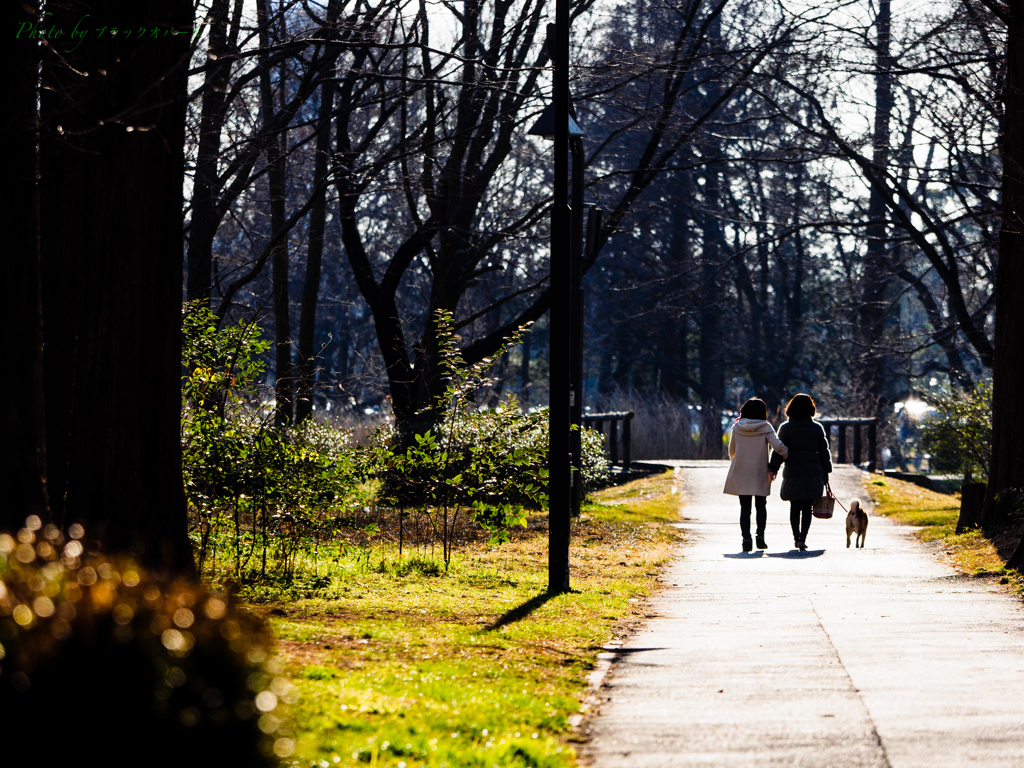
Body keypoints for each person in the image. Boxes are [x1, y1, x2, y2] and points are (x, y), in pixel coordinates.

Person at [769, 393, 833, 550]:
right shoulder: (817, 428)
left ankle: (796, 537)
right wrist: (826, 472)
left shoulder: (786, 428)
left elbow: (779, 450)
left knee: (795, 506)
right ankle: (803, 538)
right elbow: (824, 452)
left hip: (793, 472)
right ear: (810, 409)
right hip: (813, 473)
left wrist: (773, 468)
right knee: (807, 508)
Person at [723, 398, 788, 552]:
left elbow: (731, 451)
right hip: (760, 472)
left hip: (741, 471)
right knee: (761, 506)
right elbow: (778, 446)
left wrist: (738, 461)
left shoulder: (737, 427)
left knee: (745, 508)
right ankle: (760, 537)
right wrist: (786, 454)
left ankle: (746, 539)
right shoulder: (765, 427)